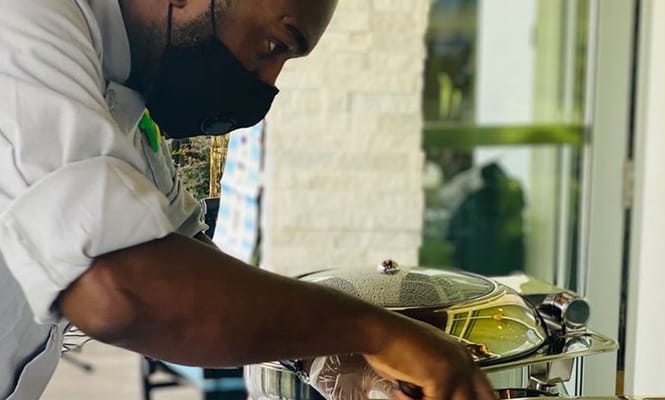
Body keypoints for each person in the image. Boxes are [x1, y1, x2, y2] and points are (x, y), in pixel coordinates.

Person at [0, 0, 496, 399]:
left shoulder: (124, 92)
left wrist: (331, 358)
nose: (268, 81)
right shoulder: (25, 19)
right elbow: (117, 289)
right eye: (274, 44)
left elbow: (185, 261)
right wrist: (379, 333)